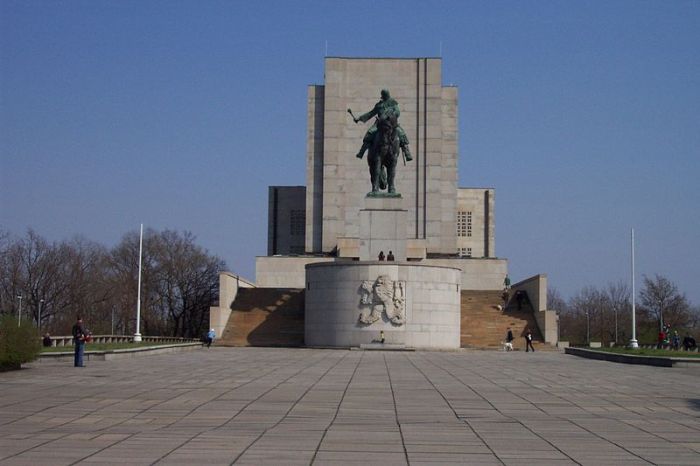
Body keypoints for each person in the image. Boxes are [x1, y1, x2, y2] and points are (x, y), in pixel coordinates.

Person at [353, 89, 412, 161]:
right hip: (379, 124)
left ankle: (407, 152)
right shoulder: (379, 105)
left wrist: (390, 115)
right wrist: (359, 118)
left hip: (392, 124)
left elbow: (397, 112)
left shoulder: (393, 103)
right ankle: (361, 152)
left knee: (401, 133)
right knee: (369, 133)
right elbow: (370, 114)